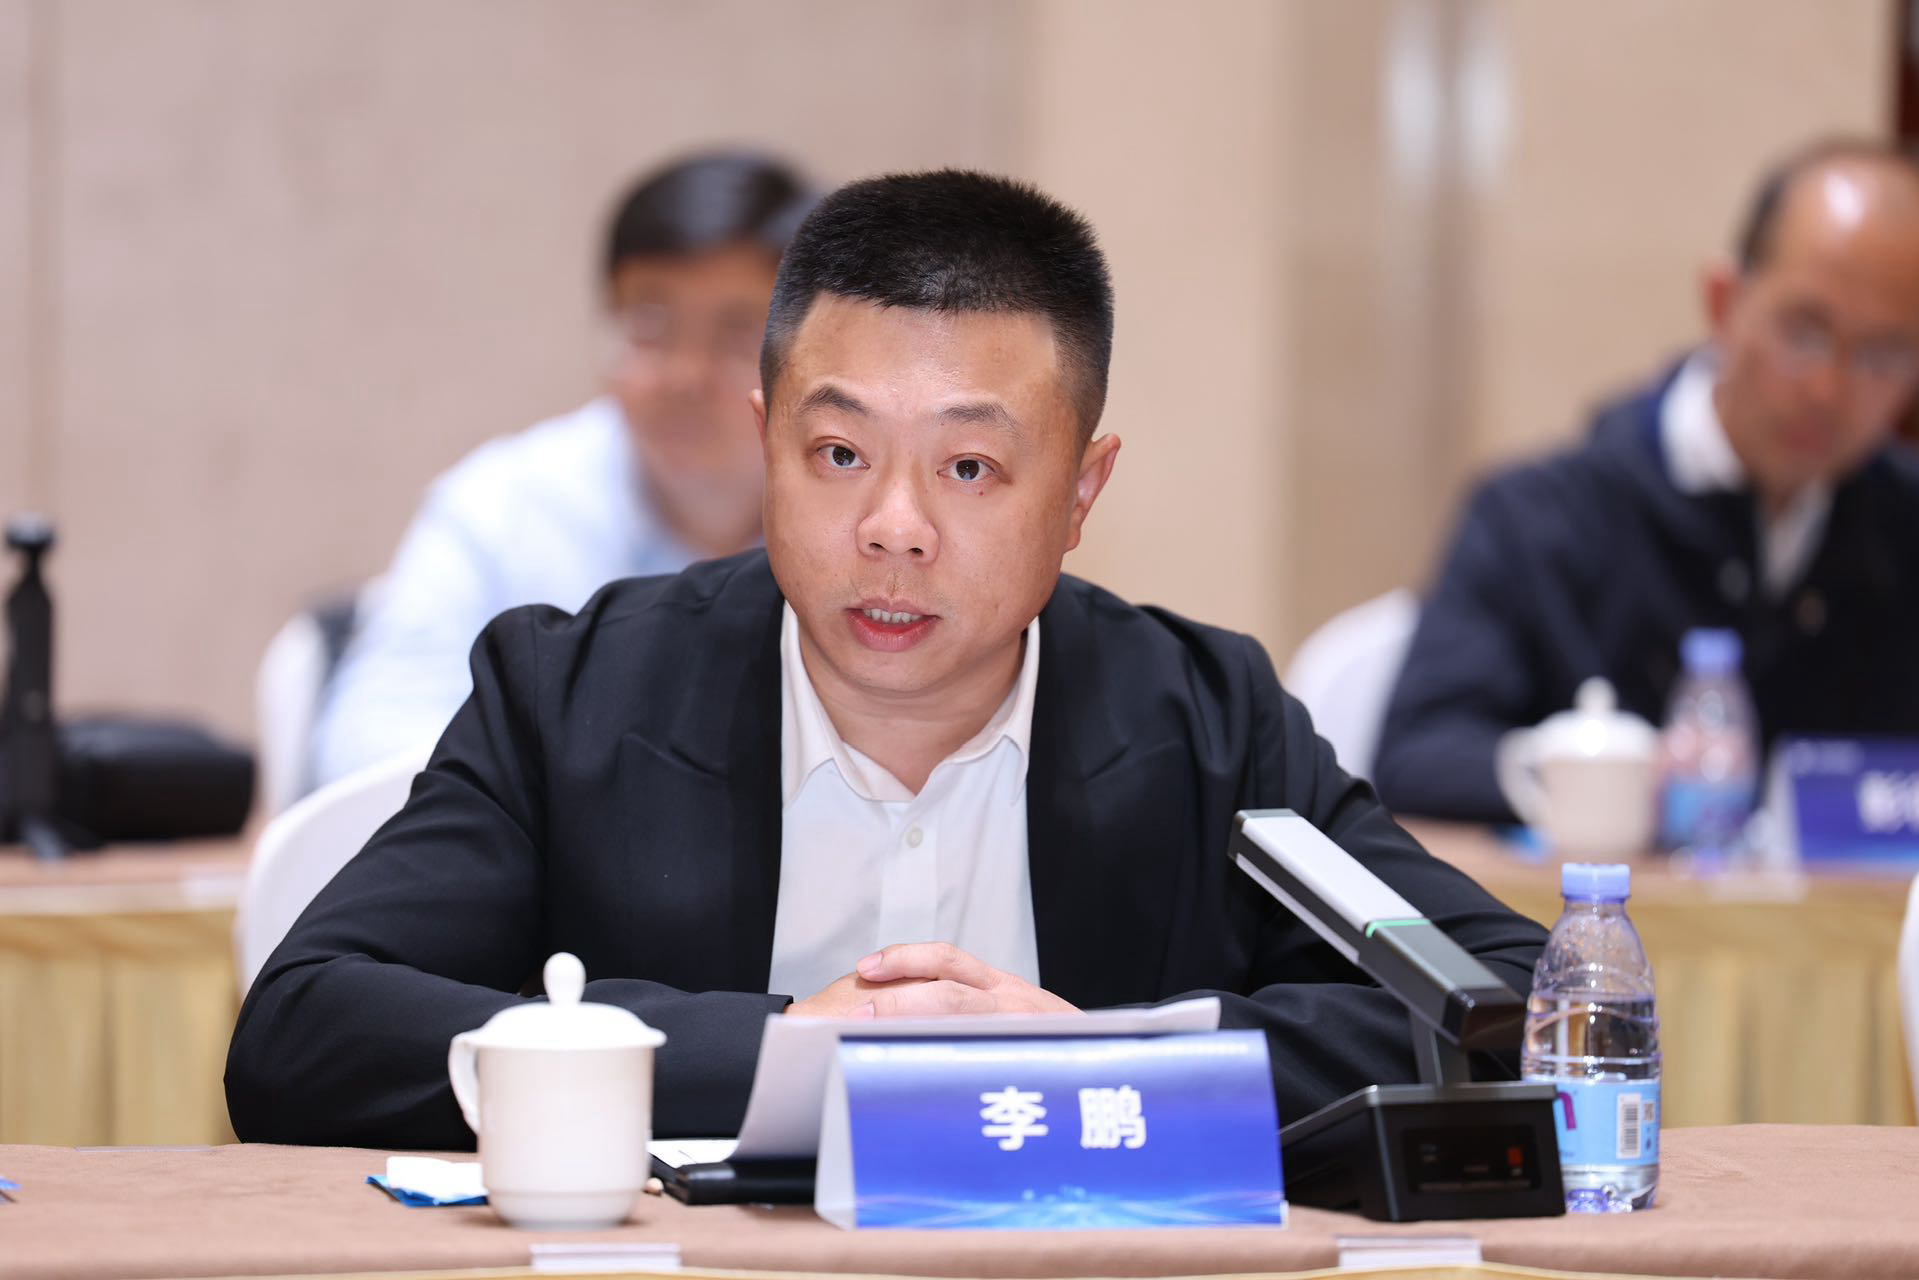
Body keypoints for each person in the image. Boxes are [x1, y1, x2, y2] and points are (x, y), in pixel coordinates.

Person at [226, 169, 1548, 1149]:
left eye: (968, 467)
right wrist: (784, 1055)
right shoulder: (573, 697)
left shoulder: (1206, 720)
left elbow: (1514, 1007)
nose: (893, 528)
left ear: (1080, 493)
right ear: (766, 445)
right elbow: (305, 1030)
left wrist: (1103, 1059)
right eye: (839, 453)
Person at [1375, 139, 1919, 825]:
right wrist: (1604, 778)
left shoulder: (1903, 525)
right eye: (1803, 333)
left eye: (1883, 354)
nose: (1829, 389)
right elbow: (1418, 756)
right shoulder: (1537, 518)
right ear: (1724, 303)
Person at [309, 151, 817, 786]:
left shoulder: (866, 518)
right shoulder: (502, 511)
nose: (685, 375)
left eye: (737, 335)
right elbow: (372, 746)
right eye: (651, 327)